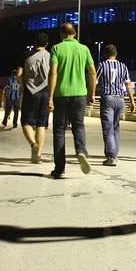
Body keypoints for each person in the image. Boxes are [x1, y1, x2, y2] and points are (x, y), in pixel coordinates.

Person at [47, 22, 97, 178]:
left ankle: (59, 169)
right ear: (74, 33)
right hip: (80, 94)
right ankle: (81, 151)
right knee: (79, 126)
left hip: (61, 95)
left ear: (62, 34)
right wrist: (91, 93)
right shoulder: (84, 49)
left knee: (59, 131)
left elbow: (53, 73)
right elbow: (93, 73)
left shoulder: (56, 48)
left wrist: (50, 97)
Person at [96, 44, 136, 167]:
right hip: (120, 99)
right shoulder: (123, 66)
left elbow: (95, 80)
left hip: (107, 98)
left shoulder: (102, 65)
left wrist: (91, 94)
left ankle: (111, 156)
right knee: (115, 127)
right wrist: (132, 101)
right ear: (116, 53)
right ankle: (115, 152)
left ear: (105, 54)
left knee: (107, 128)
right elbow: (128, 84)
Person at [21, 32, 51, 163]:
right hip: (45, 92)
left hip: (30, 92)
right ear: (47, 44)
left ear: (35, 43)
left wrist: (23, 84)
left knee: (26, 122)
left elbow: (20, 74)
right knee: (41, 124)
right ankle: (37, 156)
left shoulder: (27, 55)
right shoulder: (51, 56)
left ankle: (33, 144)